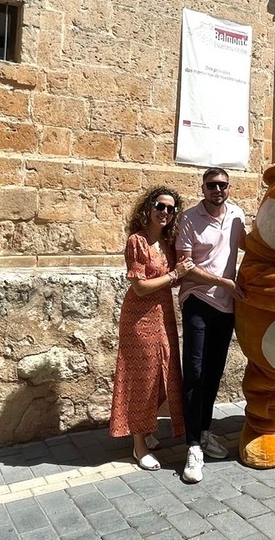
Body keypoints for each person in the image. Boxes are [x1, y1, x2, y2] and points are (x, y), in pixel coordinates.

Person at [110, 187, 195, 470]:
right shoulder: (137, 241)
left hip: (163, 314)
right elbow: (140, 286)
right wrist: (174, 275)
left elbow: (176, 277)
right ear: (148, 207)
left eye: (171, 209)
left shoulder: (168, 244)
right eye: (160, 206)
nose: (165, 213)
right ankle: (138, 445)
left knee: (165, 375)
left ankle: (145, 428)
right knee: (143, 378)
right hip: (139, 317)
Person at [176, 167, 247, 483]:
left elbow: (251, 247)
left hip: (226, 306)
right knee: (194, 371)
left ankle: (204, 431)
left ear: (229, 187)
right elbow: (185, 267)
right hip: (198, 301)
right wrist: (224, 282)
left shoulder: (236, 215)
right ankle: (192, 447)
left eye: (222, 185)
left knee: (214, 371)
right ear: (203, 188)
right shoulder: (189, 219)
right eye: (211, 185)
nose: (217, 189)